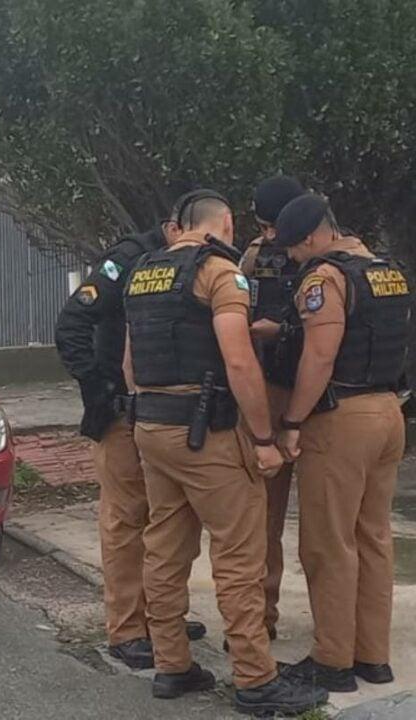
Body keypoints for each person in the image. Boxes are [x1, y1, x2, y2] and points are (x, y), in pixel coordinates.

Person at [123, 190, 327, 715]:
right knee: (240, 556)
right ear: (226, 223)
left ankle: (172, 665)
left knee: (164, 550)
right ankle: (256, 678)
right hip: (206, 432)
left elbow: (130, 365)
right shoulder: (218, 271)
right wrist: (263, 439)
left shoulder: (145, 271)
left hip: (151, 426)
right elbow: (239, 364)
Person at [272, 193, 410, 692]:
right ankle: (372, 657)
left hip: (341, 418)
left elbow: (321, 358)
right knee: (373, 537)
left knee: (329, 542)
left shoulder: (324, 278)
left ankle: (331, 661)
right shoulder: (384, 270)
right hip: (389, 413)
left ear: (311, 237)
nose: (288, 257)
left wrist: (291, 420)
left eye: (291, 247)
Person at [55, 220, 206, 670]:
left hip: (164, 414)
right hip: (122, 413)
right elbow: (72, 324)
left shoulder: (194, 263)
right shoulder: (128, 258)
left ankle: (161, 616)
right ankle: (126, 629)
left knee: (168, 520)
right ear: (174, 225)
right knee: (126, 519)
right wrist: (99, 387)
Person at [238, 176, 306, 641]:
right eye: (259, 225)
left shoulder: (321, 256)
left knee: (330, 529)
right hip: (267, 390)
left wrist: (280, 331)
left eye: (269, 225)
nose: (265, 235)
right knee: (261, 516)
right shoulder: (251, 256)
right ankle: (261, 617)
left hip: (319, 401)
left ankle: (343, 629)